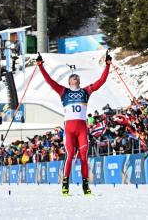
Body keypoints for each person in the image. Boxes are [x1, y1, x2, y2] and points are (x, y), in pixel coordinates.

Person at [36, 52, 111, 196]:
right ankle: (65, 186)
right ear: (69, 82)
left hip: (82, 128)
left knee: (84, 157)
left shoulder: (86, 91)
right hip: (70, 129)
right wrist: (40, 66)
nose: (74, 77)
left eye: (76, 76)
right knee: (70, 156)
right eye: (72, 77)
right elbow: (49, 81)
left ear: (79, 81)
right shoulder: (63, 91)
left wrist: (107, 65)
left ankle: (85, 186)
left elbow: (101, 80)